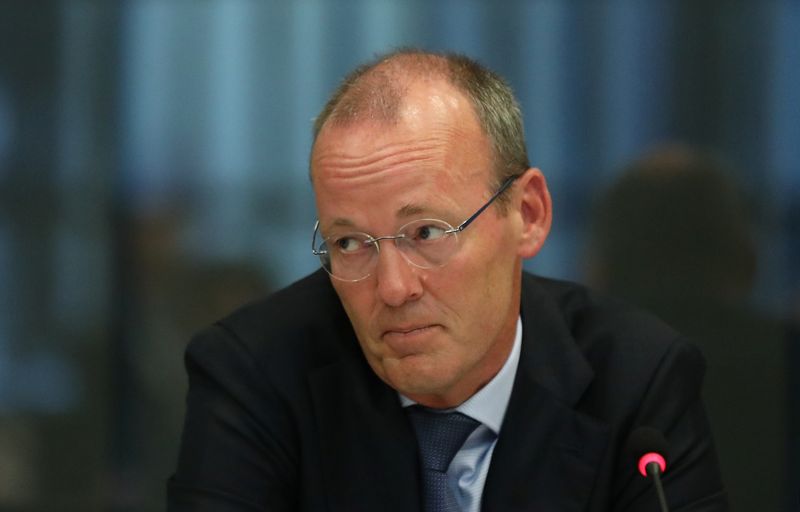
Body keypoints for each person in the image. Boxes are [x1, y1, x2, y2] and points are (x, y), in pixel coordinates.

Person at [168, 50, 728, 511]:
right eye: (350, 243)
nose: (392, 288)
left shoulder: (636, 381)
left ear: (527, 214)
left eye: (427, 233)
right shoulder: (255, 375)